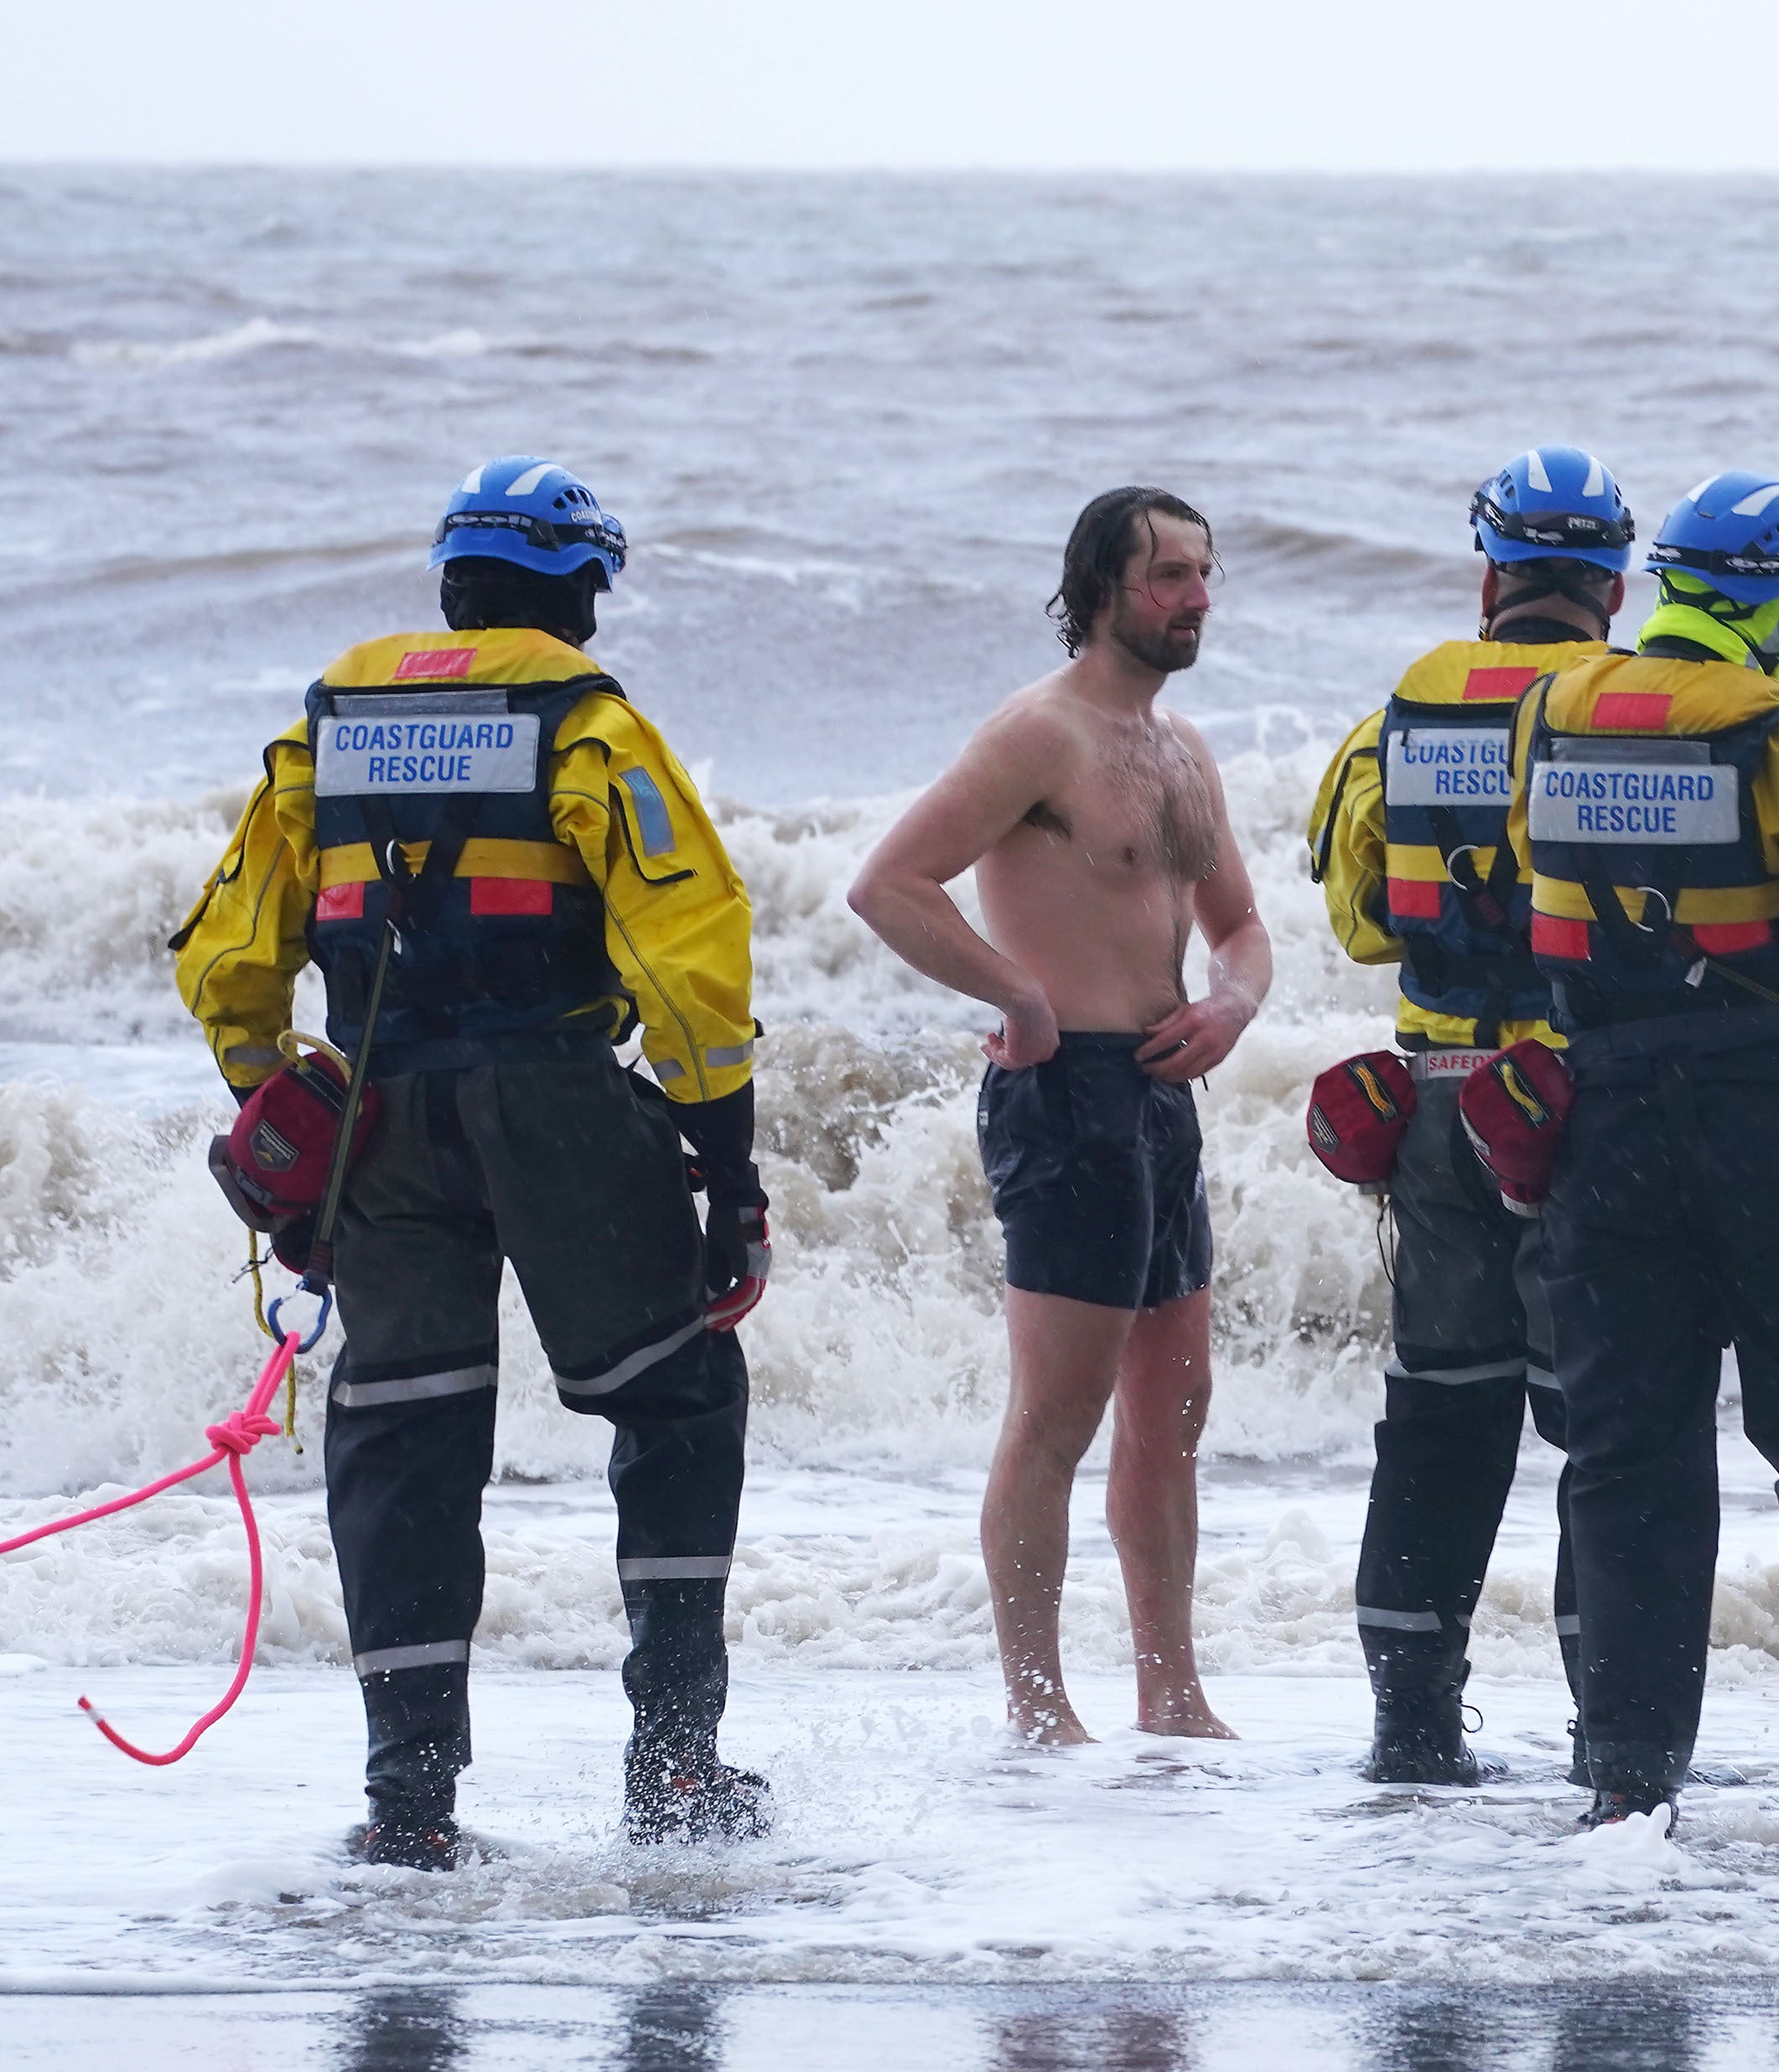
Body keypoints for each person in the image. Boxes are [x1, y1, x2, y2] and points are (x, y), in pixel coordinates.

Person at [173, 458, 771, 1867]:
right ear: (575, 591)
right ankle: (676, 1774)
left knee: (402, 1441)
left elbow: (227, 958)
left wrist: (280, 1121)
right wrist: (728, 1168)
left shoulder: (327, 724)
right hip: (551, 1099)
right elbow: (690, 956)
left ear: (451, 581)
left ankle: (408, 1806)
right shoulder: (583, 716)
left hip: (376, 1126)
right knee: (679, 1405)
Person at [1507, 471, 1779, 1841]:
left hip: (1606, 1125)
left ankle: (1630, 1778)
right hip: (1772, 1127)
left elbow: (1539, 863)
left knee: (1632, 1452)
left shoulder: (1556, 709)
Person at [848, 487, 1270, 1747]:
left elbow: (1238, 924)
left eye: (1204, 574)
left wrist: (1234, 1004)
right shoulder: (1041, 737)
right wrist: (1017, 991)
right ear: (1100, 589)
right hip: (1062, 1096)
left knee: (1173, 1411)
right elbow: (889, 884)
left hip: (1156, 1094)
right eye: (1167, 577)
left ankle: (1173, 1693)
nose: (1195, 598)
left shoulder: (1179, 749)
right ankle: (1039, 1708)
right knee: (1058, 1416)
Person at [1303, 447, 1634, 1783]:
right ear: (1614, 588)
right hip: (1588, 1109)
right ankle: (1609, 1739)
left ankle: (1411, 1732)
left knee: (1438, 1418)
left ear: (1489, 575)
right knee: (1607, 1434)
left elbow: (1362, 921)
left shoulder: (1395, 718)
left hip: (1436, 1107)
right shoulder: (1637, 710)